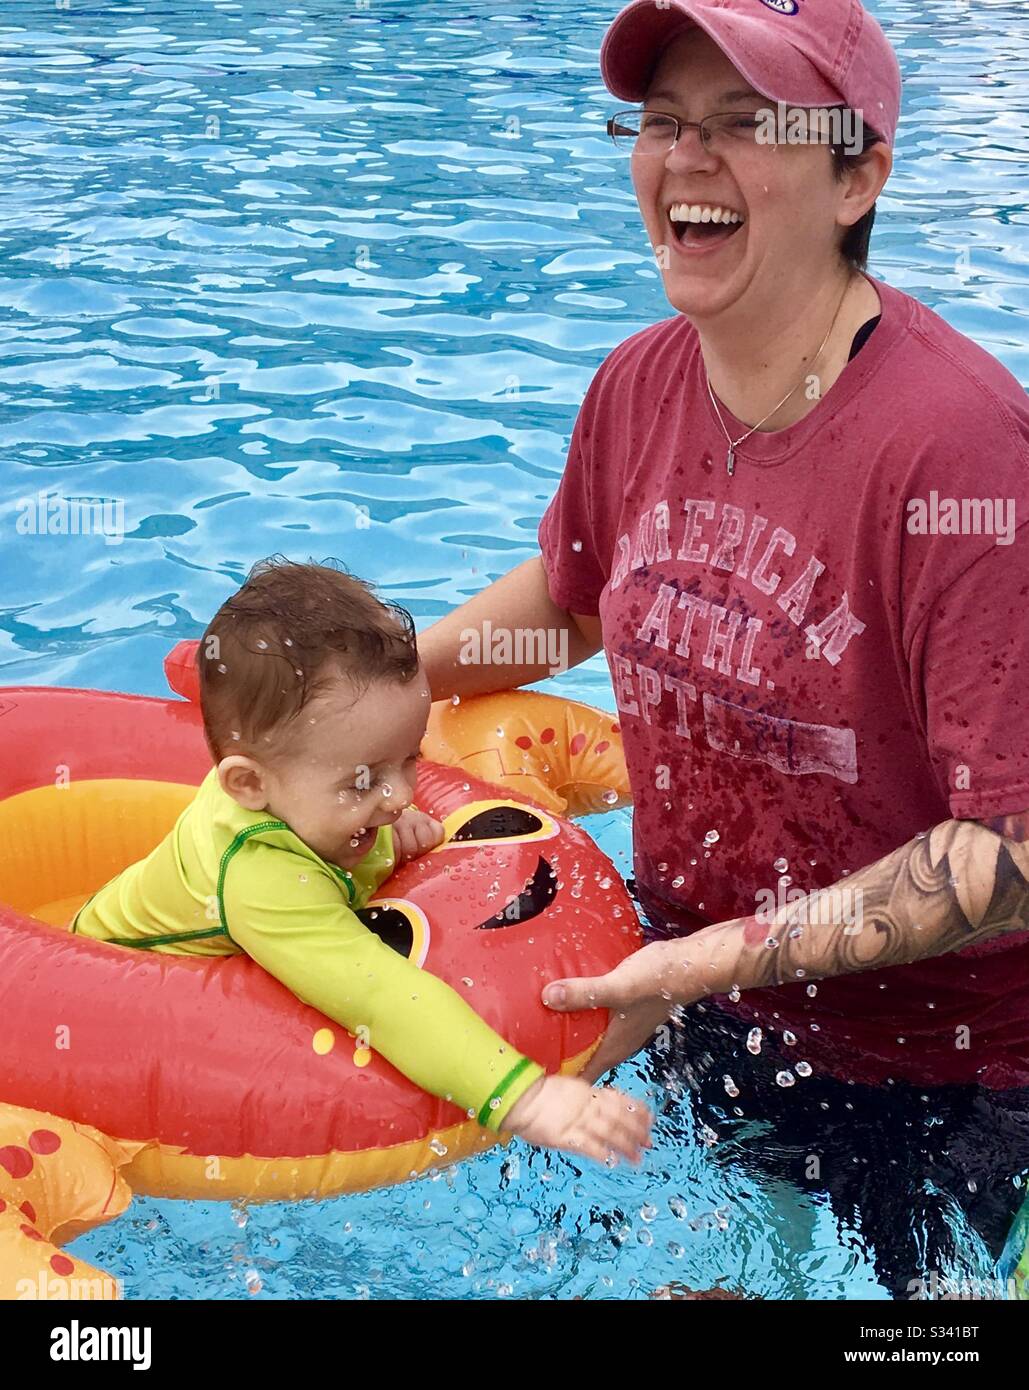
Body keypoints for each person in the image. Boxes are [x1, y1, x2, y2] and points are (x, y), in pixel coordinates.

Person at [418, 0, 1029, 1296]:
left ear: (858, 171)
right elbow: (576, 601)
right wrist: (373, 690)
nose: (686, 159)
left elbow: (1014, 858)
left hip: (963, 1088)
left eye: (745, 124)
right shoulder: (638, 386)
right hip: (718, 1031)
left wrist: (705, 959)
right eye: (661, 123)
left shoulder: (959, 452)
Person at [72, 558, 652, 1170]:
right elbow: (380, 996)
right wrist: (525, 1098)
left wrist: (375, 820)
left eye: (408, 758)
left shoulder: (298, 785)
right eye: (364, 780)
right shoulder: (262, 880)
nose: (402, 795)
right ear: (246, 784)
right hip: (114, 986)